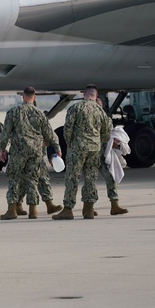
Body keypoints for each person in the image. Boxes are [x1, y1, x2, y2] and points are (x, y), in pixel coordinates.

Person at [0, 87, 62, 220]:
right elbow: (49, 134)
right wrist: (57, 148)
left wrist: (2, 149)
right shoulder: (40, 114)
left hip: (18, 151)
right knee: (33, 180)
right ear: (34, 97)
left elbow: (5, 133)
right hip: (36, 151)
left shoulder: (13, 112)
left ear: (23, 96)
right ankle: (33, 211)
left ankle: (12, 210)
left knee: (14, 179)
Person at [53, 84, 111, 220]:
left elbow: (67, 129)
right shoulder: (100, 111)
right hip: (94, 148)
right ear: (95, 96)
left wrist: (70, 143)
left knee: (72, 177)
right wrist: (98, 141)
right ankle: (89, 209)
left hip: (78, 147)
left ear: (84, 94)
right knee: (91, 178)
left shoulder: (76, 107)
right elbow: (107, 132)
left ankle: (68, 209)